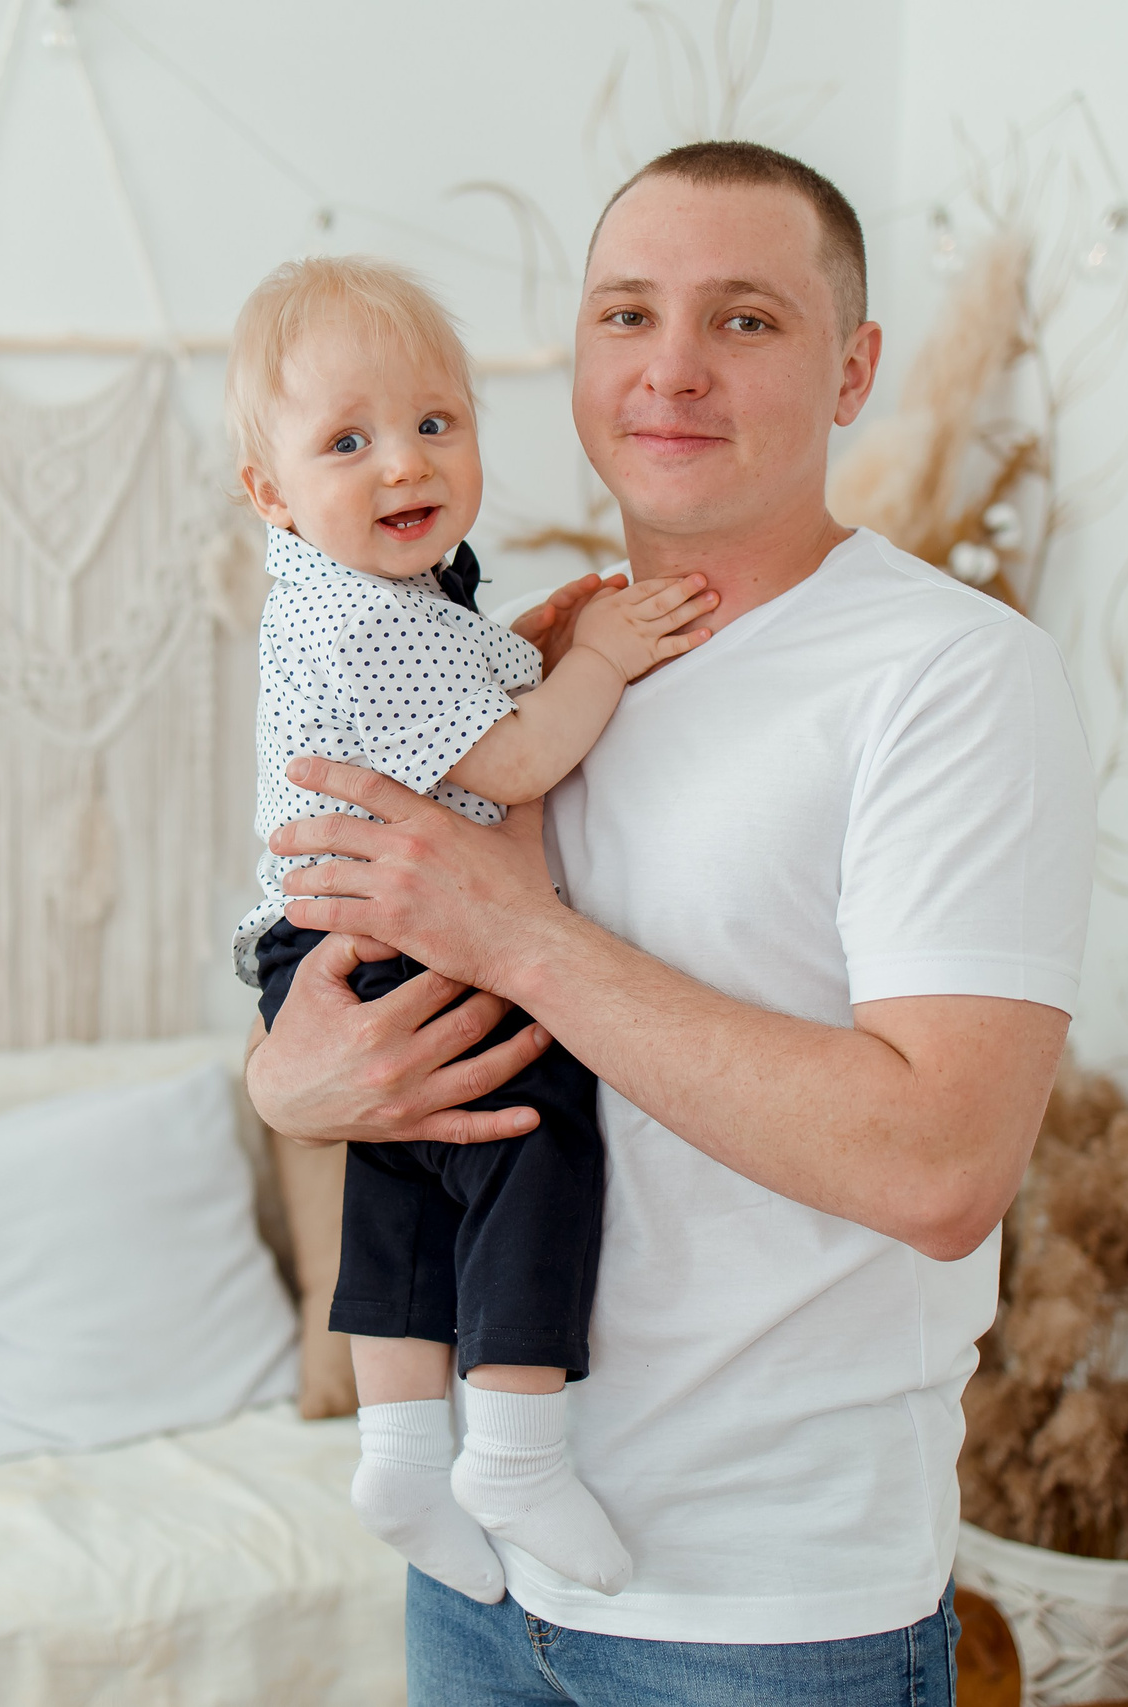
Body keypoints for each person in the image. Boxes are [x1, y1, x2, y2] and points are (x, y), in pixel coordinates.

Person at [246, 141, 1097, 1706]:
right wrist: (288, 1084)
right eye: (626, 315)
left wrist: (520, 941)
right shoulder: (540, 662)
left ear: (853, 373)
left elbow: (939, 1168)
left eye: (748, 321)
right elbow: (364, 982)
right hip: (482, 1586)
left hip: (770, 1616)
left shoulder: (953, 678)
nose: (673, 371)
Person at [224, 255, 719, 1606]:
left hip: (318, 931)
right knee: (529, 1128)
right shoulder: (375, 614)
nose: (405, 465)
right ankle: (512, 1444)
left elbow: (454, 704)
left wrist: (528, 646)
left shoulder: (366, 597)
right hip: (382, 921)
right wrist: (602, 661)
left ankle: (397, 1447)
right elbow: (504, 770)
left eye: (436, 423)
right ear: (271, 494)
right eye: (348, 442)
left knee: (407, 1161)